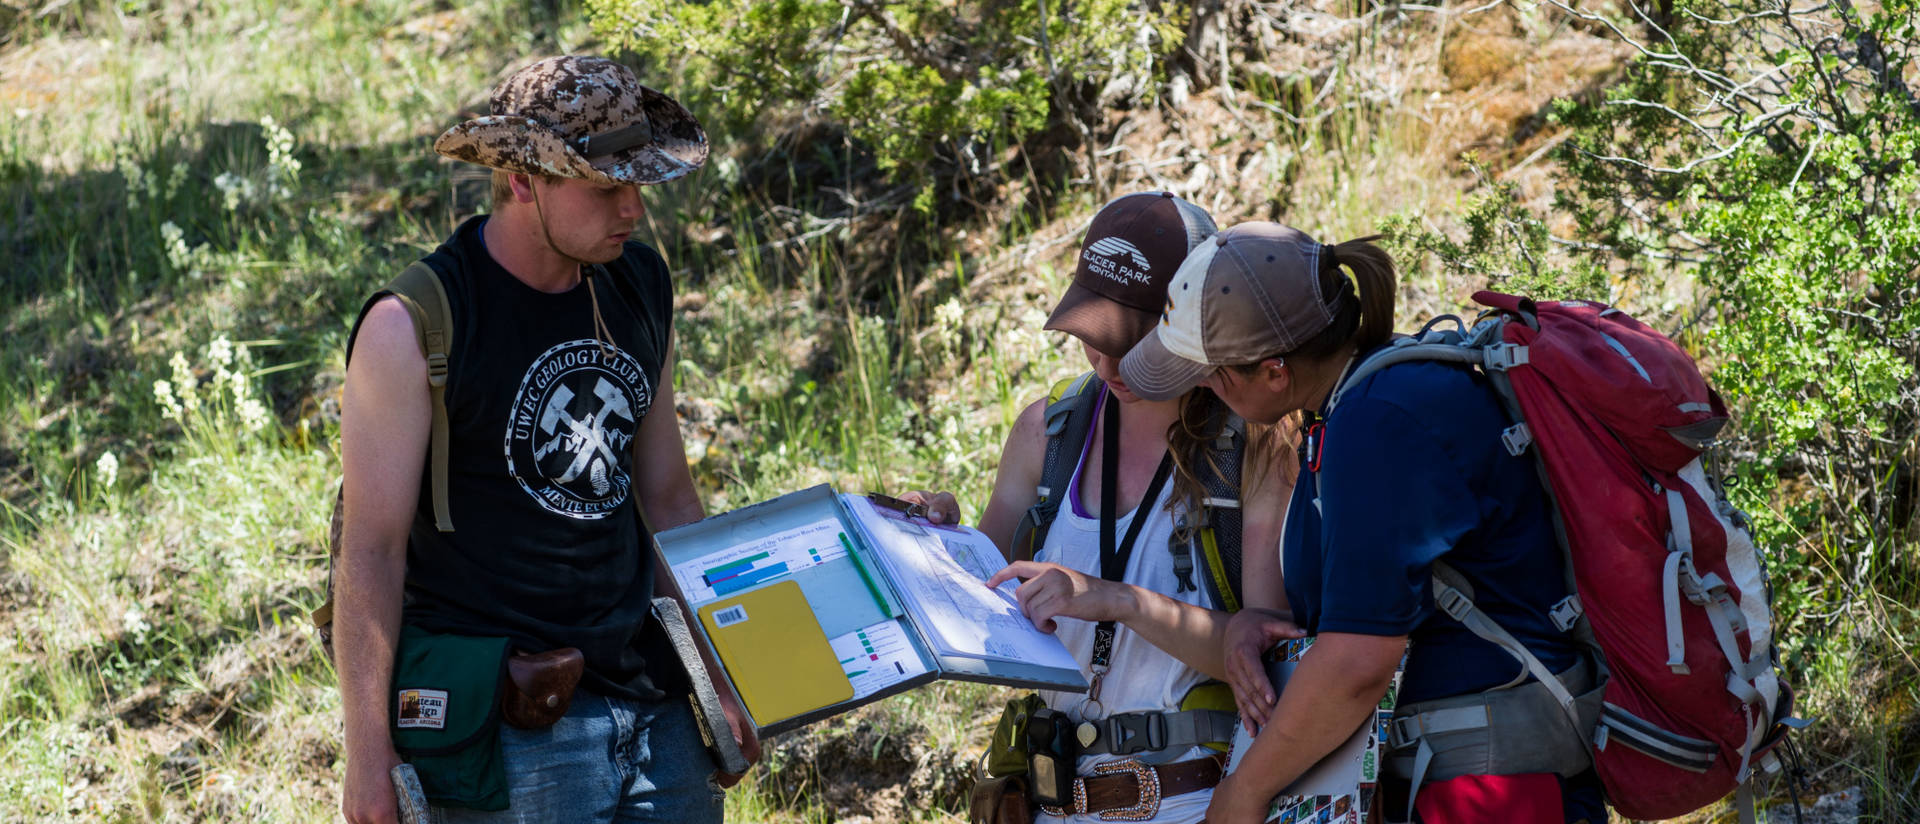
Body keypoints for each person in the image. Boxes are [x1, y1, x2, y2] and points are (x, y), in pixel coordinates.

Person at [336, 55, 760, 824]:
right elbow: (370, 550)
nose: (632, 209)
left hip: (656, 706)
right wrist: (367, 756)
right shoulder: (415, 325)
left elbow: (667, 495)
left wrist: (722, 677)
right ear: (523, 180)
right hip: (510, 727)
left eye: (639, 182)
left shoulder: (638, 283)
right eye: (605, 188)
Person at [1115, 222, 1605, 823]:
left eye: (1215, 373)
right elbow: (1379, 606)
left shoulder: (1377, 423)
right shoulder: (1370, 397)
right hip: (1461, 774)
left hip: (1490, 791)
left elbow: (1357, 663)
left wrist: (1243, 793)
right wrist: (1256, 624)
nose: (1206, 388)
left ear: (1275, 371)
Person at [908, 192, 1297, 824]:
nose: (1108, 365)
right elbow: (982, 597)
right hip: (1048, 798)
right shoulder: (1051, 433)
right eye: (1093, 338)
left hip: (1190, 798)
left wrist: (1115, 599)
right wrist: (931, 540)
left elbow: (1263, 651)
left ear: (1193, 323)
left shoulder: (1252, 443)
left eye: (1136, 341)